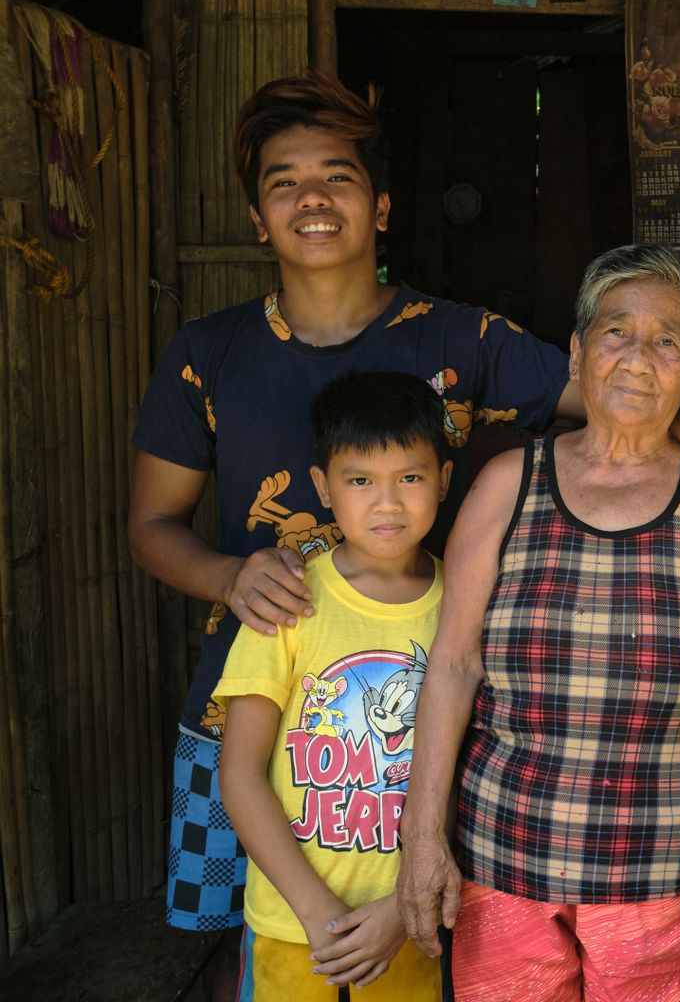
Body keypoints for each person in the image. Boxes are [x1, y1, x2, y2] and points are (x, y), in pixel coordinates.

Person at [126, 71, 680, 994]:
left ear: (384, 204)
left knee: (419, 945)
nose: (312, 200)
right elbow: (152, 528)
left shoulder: (461, 340)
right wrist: (228, 578)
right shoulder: (208, 353)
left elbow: (621, 382)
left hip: (420, 728)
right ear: (255, 216)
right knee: (274, 946)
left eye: (339, 178)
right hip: (261, 700)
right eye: (284, 182)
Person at [396, 244, 680, 1002]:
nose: (639, 358)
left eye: (667, 340)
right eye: (617, 332)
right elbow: (452, 665)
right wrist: (423, 834)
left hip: (664, 873)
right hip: (503, 862)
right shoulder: (511, 483)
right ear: (575, 353)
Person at [215, 371, 449, 999]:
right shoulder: (288, 601)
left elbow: (469, 770)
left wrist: (405, 906)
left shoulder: (462, 605)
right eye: (360, 480)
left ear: (444, 480)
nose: (388, 503)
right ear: (322, 487)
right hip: (295, 924)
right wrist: (315, 912)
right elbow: (238, 774)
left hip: (408, 921)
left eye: (411, 477)